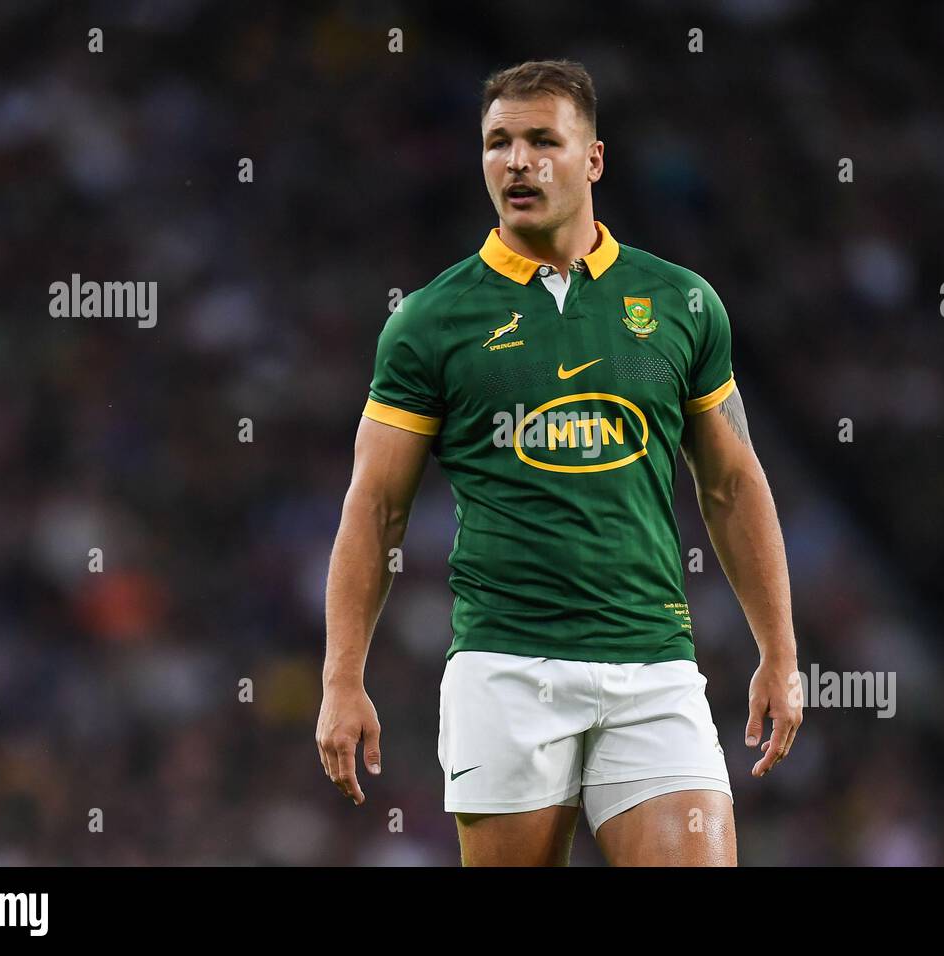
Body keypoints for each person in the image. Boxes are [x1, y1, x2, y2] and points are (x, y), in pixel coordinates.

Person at [316, 59, 801, 866]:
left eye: (543, 140)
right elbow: (374, 509)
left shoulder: (680, 302)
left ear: (595, 158)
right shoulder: (431, 322)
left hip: (654, 665)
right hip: (507, 668)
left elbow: (732, 481)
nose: (516, 161)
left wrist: (780, 654)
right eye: (497, 143)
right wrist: (341, 678)